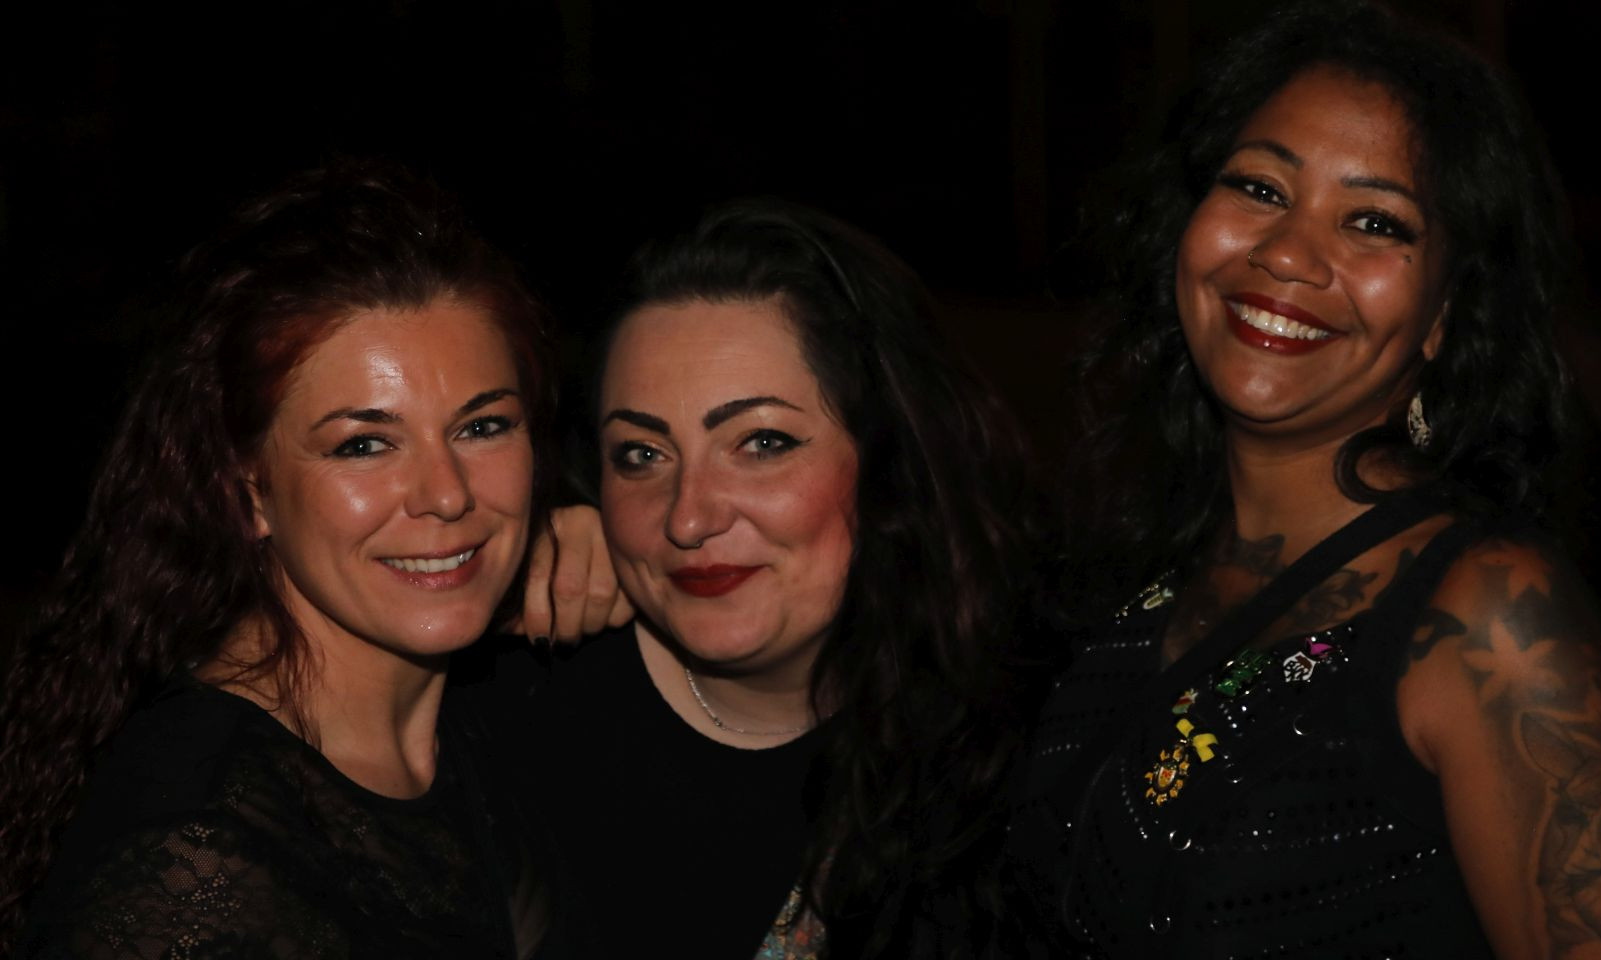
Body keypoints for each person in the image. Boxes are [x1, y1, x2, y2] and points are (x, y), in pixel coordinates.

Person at [1001, 0, 1601, 957]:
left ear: (1446, 314)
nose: (1288, 253)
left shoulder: (1488, 616)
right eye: (1260, 188)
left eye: (1374, 221)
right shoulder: (1129, 563)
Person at [0, 167, 571, 958]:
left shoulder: (497, 706)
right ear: (248, 493)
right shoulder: (197, 852)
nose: (446, 495)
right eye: (363, 445)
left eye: (483, 428)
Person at [459, 201, 1047, 959]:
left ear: (889, 461)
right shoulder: (508, 709)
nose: (688, 517)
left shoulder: (1035, 725)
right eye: (641, 455)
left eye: (762, 443)